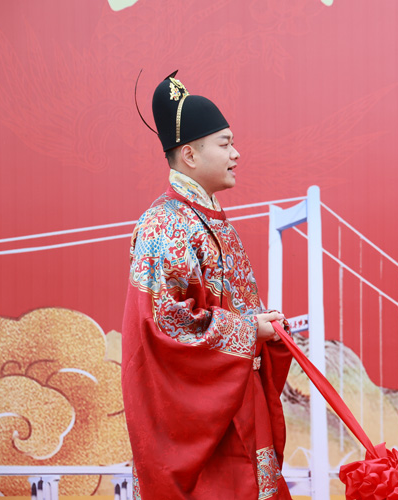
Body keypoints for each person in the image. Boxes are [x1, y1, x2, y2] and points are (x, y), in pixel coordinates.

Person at [122, 71, 293, 500]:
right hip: (202, 420)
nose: (236, 154)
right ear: (190, 155)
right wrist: (249, 330)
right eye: (225, 143)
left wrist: (261, 325)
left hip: (235, 400)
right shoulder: (164, 224)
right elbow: (166, 325)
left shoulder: (207, 217)